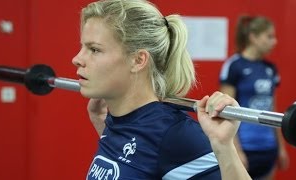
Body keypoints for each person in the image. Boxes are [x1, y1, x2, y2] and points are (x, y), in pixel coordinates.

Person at [72, 0, 251, 179]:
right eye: (83, 47)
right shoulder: (118, 120)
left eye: (94, 49)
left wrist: (223, 147)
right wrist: (103, 125)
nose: (77, 59)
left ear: (138, 60)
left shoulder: (173, 134)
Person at [219, 15, 289, 179]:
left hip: (268, 150)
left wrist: (281, 148)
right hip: (245, 150)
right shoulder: (234, 66)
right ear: (253, 37)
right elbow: (225, 112)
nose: (275, 41)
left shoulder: (270, 69)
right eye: (269, 36)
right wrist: (236, 151)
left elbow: (273, 109)